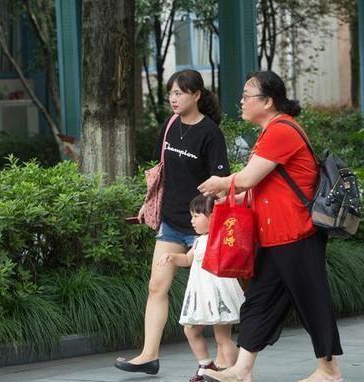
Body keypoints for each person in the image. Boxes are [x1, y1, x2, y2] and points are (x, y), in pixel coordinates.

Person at [198, 71, 343, 382]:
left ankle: (329, 371)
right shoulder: (270, 132)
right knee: (260, 301)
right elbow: (257, 184)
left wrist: (221, 183)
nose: (241, 101)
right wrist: (230, 193)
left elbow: (249, 178)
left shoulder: (282, 131)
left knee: (311, 301)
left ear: (268, 101)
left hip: (297, 233)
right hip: (277, 236)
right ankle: (241, 369)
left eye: (247, 96)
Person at [114, 69, 231, 375]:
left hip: (202, 226)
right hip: (170, 222)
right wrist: (147, 203)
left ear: (197, 95)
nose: (174, 99)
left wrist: (211, 218)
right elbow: (161, 171)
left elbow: (220, 181)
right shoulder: (169, 126)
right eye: (171, 94)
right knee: (157, 286)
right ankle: (148, 355)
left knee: (214, 296)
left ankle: (227, 366)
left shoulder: (210, 133)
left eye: (180, 93)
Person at [157, 194, 244, 382]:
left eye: (196, 215)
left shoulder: (220, 236)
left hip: (219, 293)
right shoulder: (199, 240)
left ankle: (236, 372)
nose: (192, 220)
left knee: (223, 338)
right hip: (201, 294)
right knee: (190, 329)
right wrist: (172, 257)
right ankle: (205, 363)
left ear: (212, 216)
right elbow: (188, 259)